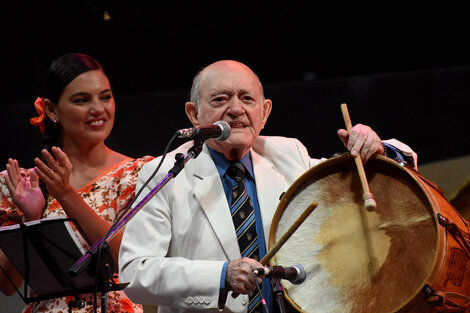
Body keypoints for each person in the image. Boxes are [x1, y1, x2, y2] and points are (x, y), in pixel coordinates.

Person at [118, 60, 417, 313]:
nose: (236, 109)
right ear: (194, 114)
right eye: (220, 99)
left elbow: (361, 181)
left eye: (247, 99)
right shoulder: (165, 173)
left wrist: (375, 149)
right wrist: (221, 275)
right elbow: (135, 273)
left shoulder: (289, 154)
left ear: (265, 112)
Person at [0, 53, 153, 312]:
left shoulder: (140, 173)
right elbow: (6, 284)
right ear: (51, 110)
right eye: (82, 100)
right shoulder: (23, 184)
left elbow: (129, 261)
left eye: (105, 97)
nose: (98, 109)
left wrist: (66, 194)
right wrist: (31, 217)